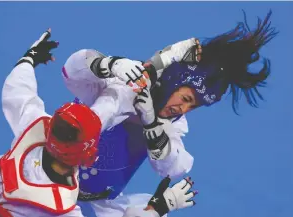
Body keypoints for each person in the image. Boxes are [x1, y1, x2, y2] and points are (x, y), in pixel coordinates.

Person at [61, 10, 277, 217]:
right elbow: (72, 71)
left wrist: (151, 124)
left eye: (192, 107)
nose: (183, 109)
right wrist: (109, 63)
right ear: (173, 81)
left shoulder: (169, 125)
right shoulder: (124, 77)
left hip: (95, 204)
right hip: (49, 169)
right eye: (185, 99)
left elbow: (174, 167)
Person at [0, 29, 102, 217]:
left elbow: (18, 89)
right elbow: (19, 90)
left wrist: (28, 59)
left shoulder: (34, 127)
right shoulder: (62, 209)